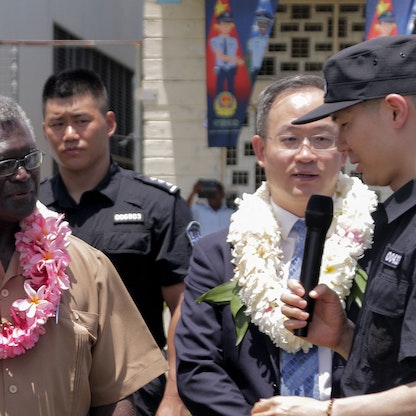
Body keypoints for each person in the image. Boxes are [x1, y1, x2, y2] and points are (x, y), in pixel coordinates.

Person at [175, 75, 377, 415]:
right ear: (260, 150)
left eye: (321, 139)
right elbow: (197, 367)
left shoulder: (381, 243)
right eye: (290, 139)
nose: (306, 154)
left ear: (343, 148)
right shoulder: (217, 255)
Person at [251, 35, 416, 416]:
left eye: (344, 124)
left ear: (394, 111)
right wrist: (343, 337)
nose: (340, 145)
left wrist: (327, 412)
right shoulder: (396, 219)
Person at [0, 95, 167, 415]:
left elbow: (118, 396)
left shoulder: (87, 267)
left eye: (30, 159)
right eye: (6, 164)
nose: (22, 175)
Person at [38, 68, 192, 416]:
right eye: (57, 124)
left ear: (109, 123)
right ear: (45, 130)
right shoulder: (31, 208)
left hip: (136, 390)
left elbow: (185, 304)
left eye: (81, 120)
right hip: (51, 390)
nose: (70, 134)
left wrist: (175, 392)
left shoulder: (155, 205)